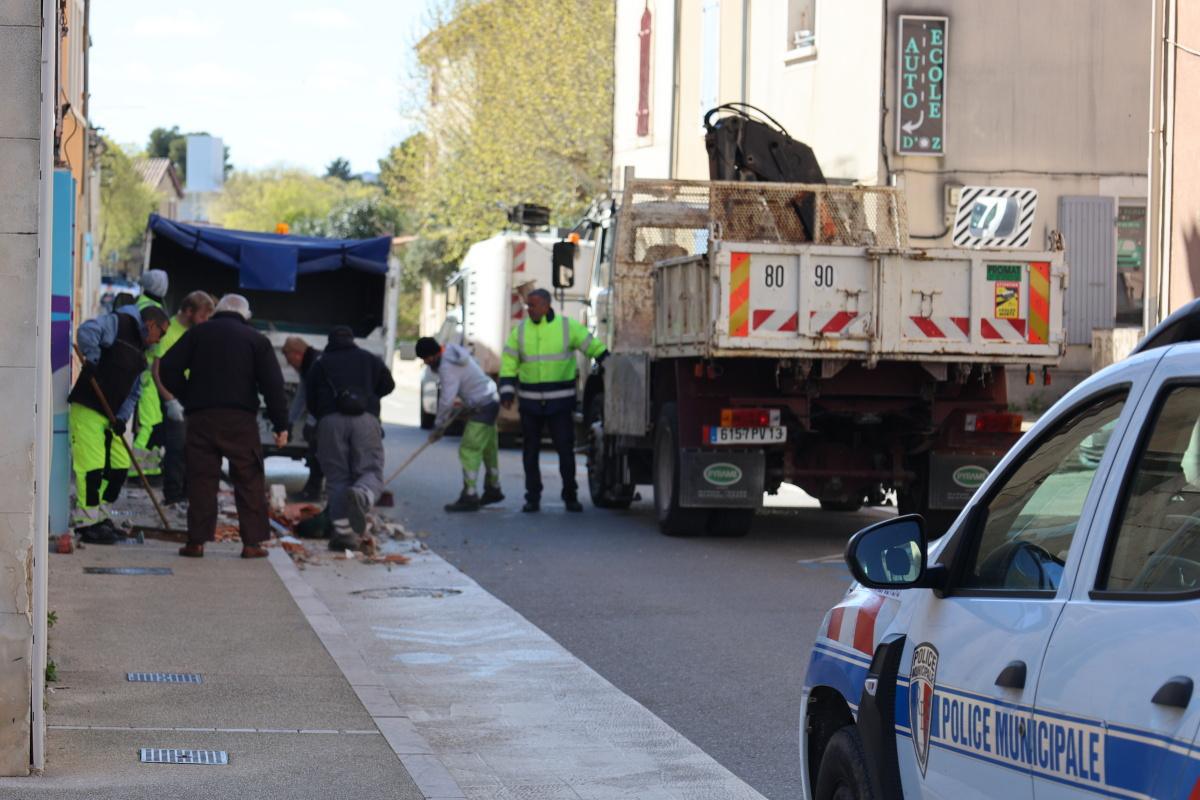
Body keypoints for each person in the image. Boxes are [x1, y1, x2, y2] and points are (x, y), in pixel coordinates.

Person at [160, 294, 289, 559]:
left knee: (201, 479)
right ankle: (252, 544)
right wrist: (281, 424)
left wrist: (188, 396)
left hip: (201, 418)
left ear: (217, 311)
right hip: (240, 421)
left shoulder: (198, 334)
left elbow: (168, 367)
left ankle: (196, 542)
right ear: (245, 315)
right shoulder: (256, 340)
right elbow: (273, 386)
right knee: (249, 478)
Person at [68, 303, 170, 543]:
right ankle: (86, 521)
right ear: (150, 325)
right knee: (92, 467)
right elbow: (87, 331)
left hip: (111, 415)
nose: (159, 340)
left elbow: (134, 392)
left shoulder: (141, 354)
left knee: (119, 466)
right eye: (161, 333)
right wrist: (92, 358)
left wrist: (123, 417)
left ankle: (101, 515)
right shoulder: (119, 324)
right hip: (89, 407)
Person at [499, 289, 607, 513]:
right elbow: (509, 361)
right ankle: (532, 497)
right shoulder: (520, 331)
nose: (529, 309)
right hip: (530, 403)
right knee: (530, 452)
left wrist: (606, 358)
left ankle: (570, 496)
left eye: (533, 305)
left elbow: (590, 344)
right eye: (528, 306)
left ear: (547, 306)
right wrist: (507, 391)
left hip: (559, 403)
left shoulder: (566, 327)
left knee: (565, 451)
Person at [306, 326, 395, 551]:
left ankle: (344, 535)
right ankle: (363, 494)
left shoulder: (320, 362)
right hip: (365, 420)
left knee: (337, 479)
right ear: (352, 340)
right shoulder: (370, 359)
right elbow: (388, 385)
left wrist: (323, 416)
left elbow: (310, 397)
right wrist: (369, 398)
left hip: (331, 422)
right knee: (370, 470)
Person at [416, 337, 504, 512]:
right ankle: (493, 489)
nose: (426, 363)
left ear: (432, 355)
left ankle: (469, 495)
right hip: (490, 399)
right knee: (488, 449)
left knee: (469, 449)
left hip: (483, 405)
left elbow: (447, 399)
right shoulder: (452, 351)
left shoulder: (447, 366)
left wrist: (439, 426)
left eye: (425, 359)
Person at [150, 291, 215, 506]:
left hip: (191, 396)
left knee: (192, 447)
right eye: (203, 316)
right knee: (176, 448)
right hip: (174, 396)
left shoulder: (194, 332)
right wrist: (169, 400)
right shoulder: (168, 332)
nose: (205, 322)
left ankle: (187, 492)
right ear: (189, 311)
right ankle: (173, 494)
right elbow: (157, 369)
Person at [131, 269, 170, 479]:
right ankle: (138, 468)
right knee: (149, 422)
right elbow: (156, 347)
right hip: (147, 376)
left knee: (150, 422)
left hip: (142, 374)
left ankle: (150, 468)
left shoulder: (140, 303)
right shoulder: (152, 309)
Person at [282, 336, 323, 501]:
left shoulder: (316, 364)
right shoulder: (307, 366)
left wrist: (311, 423)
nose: (289, 365)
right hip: (323, 415)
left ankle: (313, 492)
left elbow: (318, 397)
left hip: (330, 415)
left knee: (318, 452)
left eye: (289, 359)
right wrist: (290, 421)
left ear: (297, 354)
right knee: (315, 451)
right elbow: (302, 395)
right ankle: (312, 490)